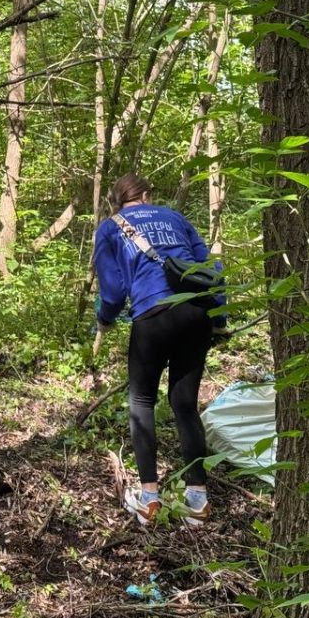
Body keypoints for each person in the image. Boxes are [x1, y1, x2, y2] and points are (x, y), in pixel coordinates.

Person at [92, 173, 228, 527]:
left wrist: (105, 320)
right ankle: (197, 500)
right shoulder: (176, 218)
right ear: (147, 195)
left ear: (117, 201)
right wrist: (219, 318)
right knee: (184, 405)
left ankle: (149, 499)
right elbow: (211, 270)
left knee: (141, 402)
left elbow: (112, 290)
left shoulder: (110, 228)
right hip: (196, 312)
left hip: (152, 315)